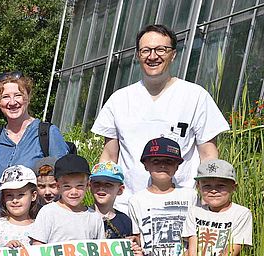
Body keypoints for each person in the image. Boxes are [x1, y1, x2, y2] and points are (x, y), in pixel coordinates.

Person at [92, 24, 229, 212]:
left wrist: (208, 203)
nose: (153, 56)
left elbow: (208, 154)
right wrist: (104, 203)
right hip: (127, 206)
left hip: (181, 207)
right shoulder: (120, 99)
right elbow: (109, 156)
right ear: (138, 55)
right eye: (146, 50)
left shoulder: (195, 96)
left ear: (173, 54)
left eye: (161, 50)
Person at [0, 72, 68, 208]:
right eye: (5, 97)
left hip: (37, 222)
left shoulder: (48, 134)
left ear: (28, 98)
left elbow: (64, 180)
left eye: (18, 95)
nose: (12, 102)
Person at [128, 138, 198, 256]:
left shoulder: (190, 196)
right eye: (156, 161)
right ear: (146, 165)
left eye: (169, 161)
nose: (162, 165)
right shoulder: (136, 200)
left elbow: (197, 233)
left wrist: (189, 255)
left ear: (177, 166)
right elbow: (137, 236)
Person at [183, 159, 252, 256]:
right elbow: (193, 248)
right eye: (207, 185)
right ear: (198, 186)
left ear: (234, 187)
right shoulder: (194, 212)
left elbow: (232, 252)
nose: (213, 190)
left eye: (221, 186)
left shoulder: (242, 213)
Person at [30, 154, 105, 244]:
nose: (74, 192)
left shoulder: (94, 217)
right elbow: (37, 245)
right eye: (67, 186)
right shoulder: (48, 212)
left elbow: (102, 249)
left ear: (88, 186)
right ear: (58, 186)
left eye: (79, 186)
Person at [0, 165, 40, 248]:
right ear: (3, 198)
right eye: (9, 195)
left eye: (21, 194)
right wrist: (4, 251)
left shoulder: (41, 227)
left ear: (33, 196)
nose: (15, 200)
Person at [89, 161, 133, 239]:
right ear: (90, 186)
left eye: (108, 185)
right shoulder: (82, 217)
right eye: (97, 184)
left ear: (120, 190)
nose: (101, 188)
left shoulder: (124, 221)